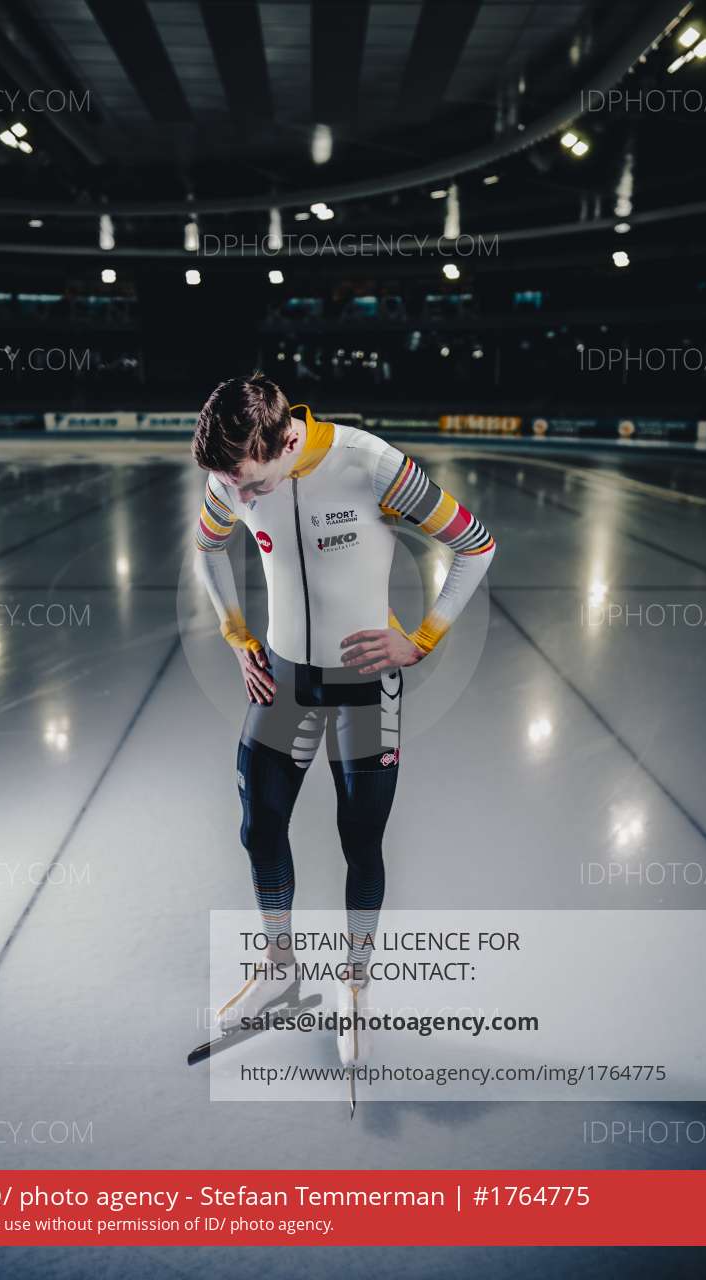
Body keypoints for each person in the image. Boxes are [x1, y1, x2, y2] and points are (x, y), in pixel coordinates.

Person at [192, 374, 495, 1066]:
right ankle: (279, 968)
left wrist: (423, 638)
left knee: (360, 842)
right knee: (259, 827)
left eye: (249, 484)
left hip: (365, 686)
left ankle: (355, 983)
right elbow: (207, 548)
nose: (240, 498)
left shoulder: (370, 464)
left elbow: (476, 543)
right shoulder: (232, 474)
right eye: (231, 486)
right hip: (282, 680)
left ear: (284, 442)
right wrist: (235, 634)